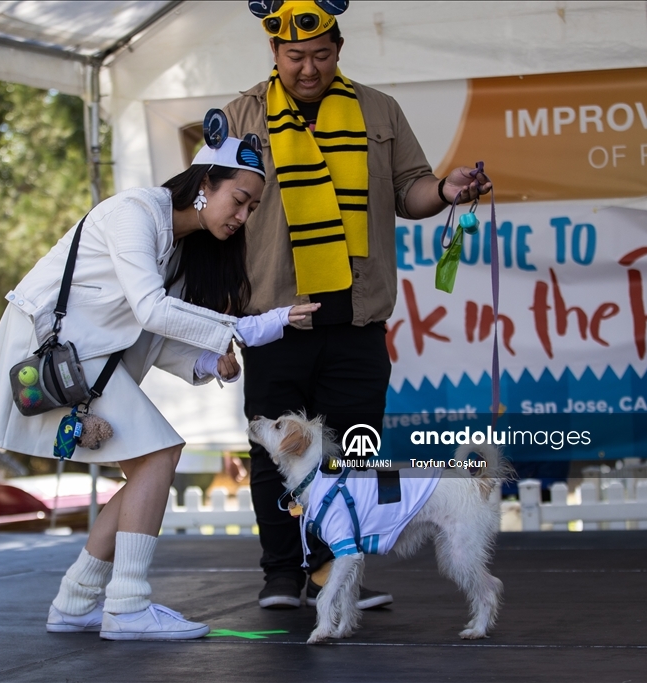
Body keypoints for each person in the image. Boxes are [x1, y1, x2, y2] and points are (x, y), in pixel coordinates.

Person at [0, 121, 318, 641]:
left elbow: (150, 331)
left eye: (251, 209)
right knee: (159, 455)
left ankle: (76, 601)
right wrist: (251, 327)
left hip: (84, 363)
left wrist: (205, 360)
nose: (243, 217)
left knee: (149, 465)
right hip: (49, 357)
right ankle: (127, 606)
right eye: (239, 200)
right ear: (204, 184)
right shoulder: (133, 213)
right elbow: (150, 310)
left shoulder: (178, 246)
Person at [224, 0, 493, 609]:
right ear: (274, 54)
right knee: (274, 452)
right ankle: (280, 575)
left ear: (339, 51)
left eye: (321, 55)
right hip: (276, 316)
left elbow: (412, 189)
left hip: (358, 317)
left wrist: (447, 190)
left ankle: (335, 573)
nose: (309, 68)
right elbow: (217, 212)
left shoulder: (379, 109)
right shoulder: (240, 115)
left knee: (357, 450)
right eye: (295, 57)